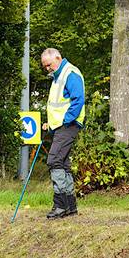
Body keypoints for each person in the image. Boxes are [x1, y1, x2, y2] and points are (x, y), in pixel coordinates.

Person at [40, 48, 85, 219]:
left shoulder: (70, 73)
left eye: (49, 65)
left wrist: (65, 120)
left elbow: (78, 100)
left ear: (58, 58)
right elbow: (57, 105)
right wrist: (50, 123)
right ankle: (70, 206)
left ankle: (60, 205)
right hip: (60, 125)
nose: (47, 69)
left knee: (54, 160)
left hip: (69, 124)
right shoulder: (58, 77)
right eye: (45, 66)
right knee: (64, 164)